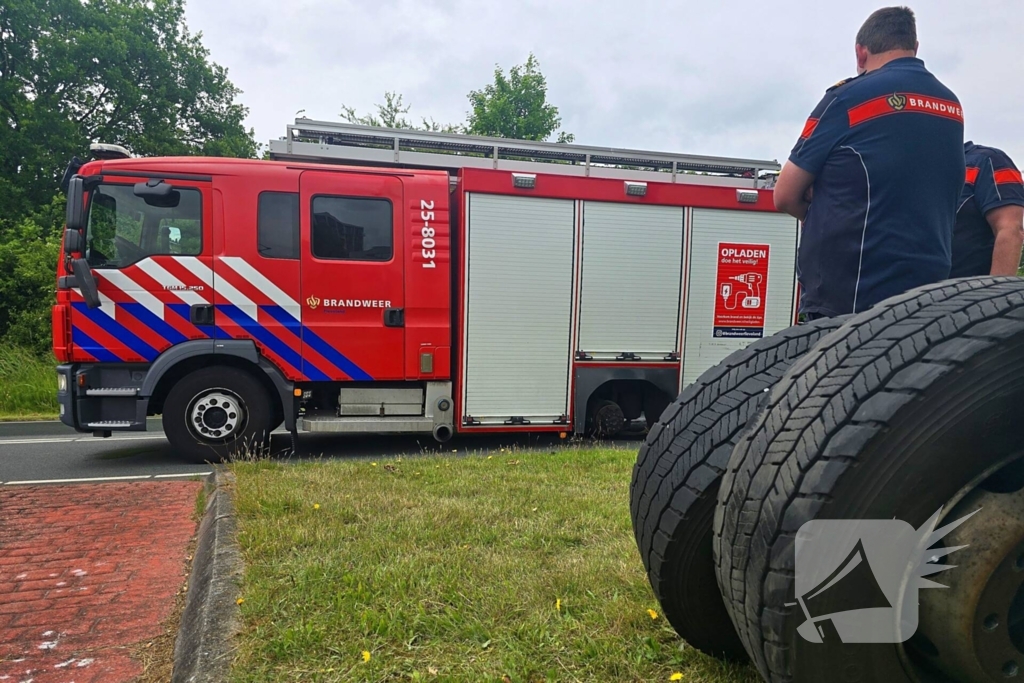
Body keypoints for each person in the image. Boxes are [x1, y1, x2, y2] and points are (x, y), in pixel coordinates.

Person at [774, 6, 965, 319]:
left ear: (860, 53)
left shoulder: (848, 98)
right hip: (926, 294)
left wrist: (819, 204)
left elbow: (784, 194)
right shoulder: (950, 105)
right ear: (914, 48)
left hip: (850, 292)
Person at [950, 142, 1024, 277]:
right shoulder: (913, 170)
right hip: (913, 291)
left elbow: (1010, 229)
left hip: (968, 291)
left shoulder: (988, 161)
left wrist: (997, 292)